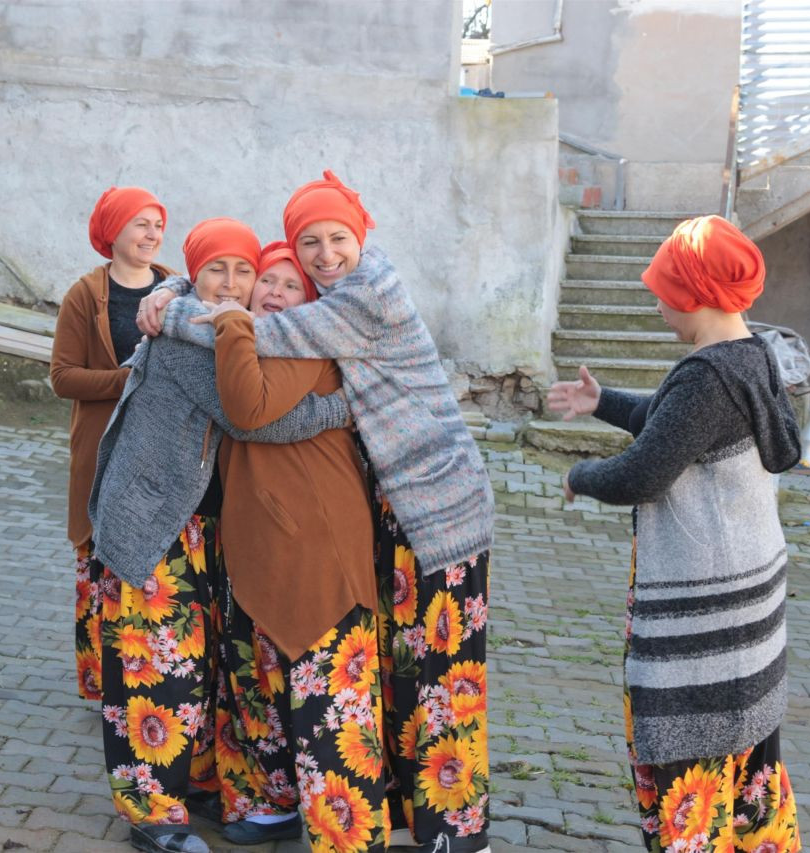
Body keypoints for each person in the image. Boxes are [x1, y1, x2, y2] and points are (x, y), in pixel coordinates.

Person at [140, 172, 495, 853]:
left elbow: (267, 337)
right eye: (311, 243)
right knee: (398, 671)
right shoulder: (334, 291)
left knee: (440, 673)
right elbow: (255, 312)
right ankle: (406, 817)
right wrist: (174, 286)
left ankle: (457, 829)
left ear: (360, 237)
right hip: (394, 501)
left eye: (338, 239)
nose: (327, 253)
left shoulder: (365, 297)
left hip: (440, 504)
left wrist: (176, 308)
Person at [88, 218, 351, 853]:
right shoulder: (184, 338)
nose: (231, 284)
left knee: (203, 668)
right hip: (153, 523)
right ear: (194, 273)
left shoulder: (201, 317)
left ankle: (195, 783)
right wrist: (347, 406)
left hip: (204, 526)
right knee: (155, 670)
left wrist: (177, 291)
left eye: (244, 272)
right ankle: (152, 814)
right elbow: (253, 418)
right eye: (216, 271)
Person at [552, 215, 803, 853]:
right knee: (746, 761)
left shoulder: (705, 377)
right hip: (752, 604)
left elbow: (645, 472)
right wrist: (601, 400)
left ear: (690, 293)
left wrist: (581, 476)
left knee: (689, 762)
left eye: (662, 290)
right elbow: (670, 422)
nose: (658, 303)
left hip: (705, 617)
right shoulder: (750, 357)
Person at [206, 241, 387, 851]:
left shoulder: (301, 340)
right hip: (262, 542)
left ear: (310, 301)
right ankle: (273, 802)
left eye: (291, 286)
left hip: (316, 543)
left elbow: (247, 409)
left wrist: (230, 321)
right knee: (263, 679)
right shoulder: (251, 340)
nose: (276, 294)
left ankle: (349, 836)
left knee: (329, 693)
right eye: (268, 282)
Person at [51, 186, 174, 701]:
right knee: (100, 555)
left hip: (162, 448)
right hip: (103, 446)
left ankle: (155, 670)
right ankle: (102, 681)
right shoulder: (86, 294)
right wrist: (125, 382)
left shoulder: (174, 289)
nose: (152, 235)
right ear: (114, 232)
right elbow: (62, 377)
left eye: (157, 225)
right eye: (140, 224)